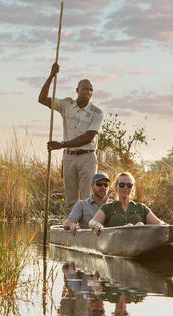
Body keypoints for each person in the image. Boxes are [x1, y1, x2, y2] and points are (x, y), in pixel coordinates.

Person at [38, 62, 104, 208]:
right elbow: (42, 99)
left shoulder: (96, 112)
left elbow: (89, 137)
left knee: (87, 200)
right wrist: (51, 76)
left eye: (91, 90)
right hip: (69, 158)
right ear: (77, 90)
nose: (88, 92)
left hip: (87, 157)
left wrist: (61, 144)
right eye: (85, 89)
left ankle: (86, 229)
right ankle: (71, 228)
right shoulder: (66, 105)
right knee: (71, 201)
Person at [89, 172, 165, 234]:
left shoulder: (141, 208)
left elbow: (159, 223)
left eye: (129, 185)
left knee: (140, 224)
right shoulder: (107, 207)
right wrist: (96, 225)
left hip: (138, 244)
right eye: (122, 185)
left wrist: (165, 225)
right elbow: (92, 222)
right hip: (116, 244)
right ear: (116, 187)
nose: (125, 187)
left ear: (133, 188)